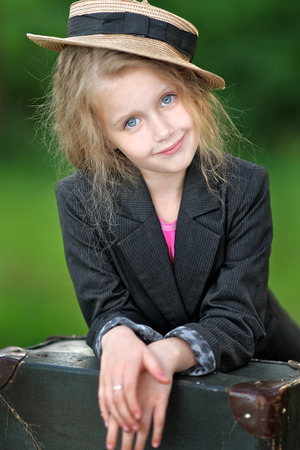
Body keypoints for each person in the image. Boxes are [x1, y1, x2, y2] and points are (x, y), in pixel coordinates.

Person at [27, 0, 300, 448]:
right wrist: (117, 340)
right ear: (103, 137)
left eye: (167, 99)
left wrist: (163, 357)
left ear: (191, 92)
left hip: (263, 370)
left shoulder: (245, 186)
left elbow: (236, 317)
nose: (162, 131)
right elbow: (105, 306)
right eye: (131, 121)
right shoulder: (79, 199)